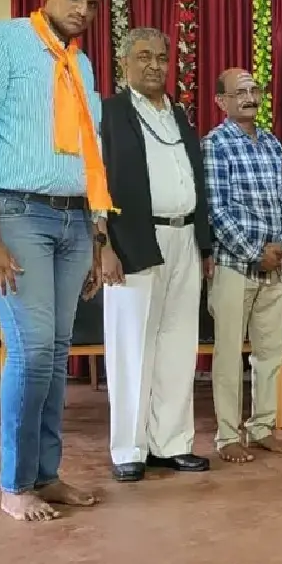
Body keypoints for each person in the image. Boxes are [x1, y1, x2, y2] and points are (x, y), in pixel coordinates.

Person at [0, 0, 111, 521]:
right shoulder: (0, 41)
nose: (83, 9)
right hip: (16, 214)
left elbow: (91, 152)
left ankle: (46, 474)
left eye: (92, 3)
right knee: (32, 350)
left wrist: (98, 234)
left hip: (74, 220)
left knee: (56, 352)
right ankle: (16, 485)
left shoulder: (81, 65)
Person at [96, 27, 213, 482]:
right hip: (134, 240)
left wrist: (204, 244)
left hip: (184, 238)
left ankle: (172, 443)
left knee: (179, 343)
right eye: (143, 56)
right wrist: (103, 244)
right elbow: (96, 180)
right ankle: (129, 448)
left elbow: (194, 178)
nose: (154, 65)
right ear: (124, 63)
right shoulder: (111, 112)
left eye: (161, 58)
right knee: (132, 346)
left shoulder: (178, 115)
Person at [203, 69, 282, 462]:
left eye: (254, 89)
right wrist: (257, 251)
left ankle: (262, 427)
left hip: (274, 266)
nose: (250, 97)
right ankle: (227, 436)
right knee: (228, 354)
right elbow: (217, 211)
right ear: (221, 101)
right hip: (235, 266)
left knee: (270, 352)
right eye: (240, 92)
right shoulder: (215, 144)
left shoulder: (272, 143)